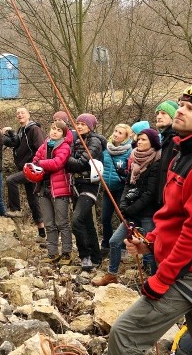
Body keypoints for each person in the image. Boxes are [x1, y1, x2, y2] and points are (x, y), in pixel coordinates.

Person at [107, 83, 192, 355]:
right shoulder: (181, 153)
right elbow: (175, 215)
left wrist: (162, 279)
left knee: (123, 336)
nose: (181, 110)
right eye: (181, 104)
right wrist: (150, 242)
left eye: (191, 108)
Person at [94, 128, 161, 287]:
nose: (140, 142)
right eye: (139, 139)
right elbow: (127, 185)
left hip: (147, 214)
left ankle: (155, 281)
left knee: (149, 249)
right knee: (115, 241)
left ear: (152, 142)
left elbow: (150, 193)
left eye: (144, 140)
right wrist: (123, 204)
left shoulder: (157, 162)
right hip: (131, 212)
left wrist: (131, 209)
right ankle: (112, 275)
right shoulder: (135, 158)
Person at [66, 113, 105, 271]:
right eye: (77, 123)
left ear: (90, 126)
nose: (79, 126)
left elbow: (82, 163)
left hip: (89, 186)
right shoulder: (76, 140)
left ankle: (85, 256)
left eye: (83, 124)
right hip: (77, 184)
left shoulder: (94, 141)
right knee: (87, 222)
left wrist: (63, 158)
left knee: (76, 221)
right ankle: (96, 257)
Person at [31, 120, 73, 264]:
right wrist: (38, 163)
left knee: (62, 222)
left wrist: (40, 164)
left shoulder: (65, 146)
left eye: (58, 130)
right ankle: (52, 253)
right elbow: (34, 159)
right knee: (49, 223)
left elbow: (57, 163)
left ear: (64, 133)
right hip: (43, 187)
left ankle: (67, 253)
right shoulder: (44, 145)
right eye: (53, 129)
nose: (54, 132)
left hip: (60, 189)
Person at [2, 108, 46, 236]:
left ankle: (16, 210)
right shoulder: (21, 131)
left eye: (22, 113)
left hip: (33, 168)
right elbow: (15, 143)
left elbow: (41, 148)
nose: (19, 115)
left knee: (11, 180)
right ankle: (42, 233)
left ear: (28, 115)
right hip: (24, 168)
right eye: (17, 113)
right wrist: (8, 132)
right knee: (33, 200)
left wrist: (36, 165)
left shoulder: (34, 129)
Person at [100, 123, 132, 249]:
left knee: (122, 219)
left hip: (121, 190)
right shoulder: (106, 150)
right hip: (107, 190)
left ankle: (123, 246)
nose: (116, 134)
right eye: (115, 131)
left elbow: (130, 172)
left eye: (120, 133)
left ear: (125, 137)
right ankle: (106, 244)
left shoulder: (128, 152)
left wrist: (124, 177)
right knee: (105, 218)